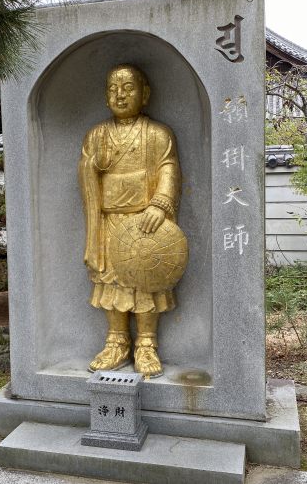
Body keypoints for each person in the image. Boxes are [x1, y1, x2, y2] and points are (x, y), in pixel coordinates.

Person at [78, 64, 182, 378]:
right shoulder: (97, 135)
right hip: (109, 222)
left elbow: (169, 169)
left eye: (128, 87)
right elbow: (84, 172)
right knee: (111, 280)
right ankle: (117, 341)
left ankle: (147, 343)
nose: (120, 95)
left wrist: (160, 205)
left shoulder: (157, 134)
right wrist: (94, 164)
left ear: (145, 94)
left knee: (147, 281)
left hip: (145, 222)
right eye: (113, 88)